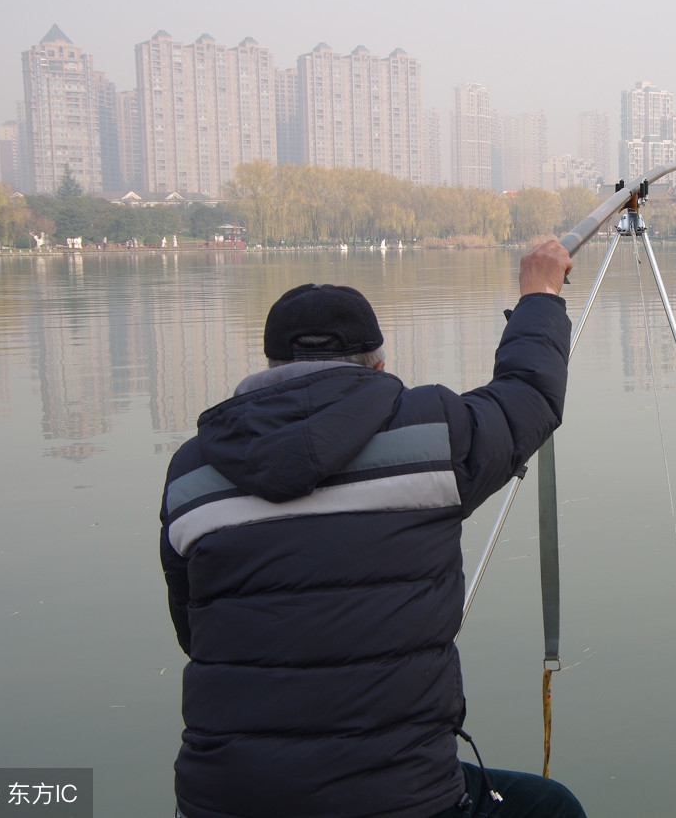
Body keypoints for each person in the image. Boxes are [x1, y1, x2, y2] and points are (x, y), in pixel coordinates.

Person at [160, 240, 585, 818]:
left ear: (270, 370)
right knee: (548, 807)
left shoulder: (192, 473)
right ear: (379, 365)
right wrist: (540, 295)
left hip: (224, 800)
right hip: (397, 798)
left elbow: (196, 630)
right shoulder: (436, 435)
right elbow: (530, 395)